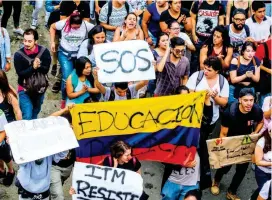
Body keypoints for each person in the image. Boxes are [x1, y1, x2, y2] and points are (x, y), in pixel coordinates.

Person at [211, 88, 264, 200]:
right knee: (225, 166)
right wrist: (223, 150)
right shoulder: (229, 113)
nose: (249, 103)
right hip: (231, 141)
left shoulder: (257, 110)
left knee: (241, 171)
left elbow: (261, 122)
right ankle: (216, 181)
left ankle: (232, 192)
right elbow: (223, 133)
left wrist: (255, 132)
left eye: (251, 100)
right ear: (239, 100)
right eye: (245, 100)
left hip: (245, 143)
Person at [50, 11, 94, 108]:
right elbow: (52, 27)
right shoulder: (63, 23)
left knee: (80, 75)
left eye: (78, 27)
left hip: (79, 55)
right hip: (65, 54)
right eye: (74, 27)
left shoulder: (86, 25)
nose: (76, 28)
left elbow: (96, 30)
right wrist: (52, 42)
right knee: (67, 77)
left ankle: (79, 96)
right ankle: (64, 98)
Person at [14, 29, 51, 120]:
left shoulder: (44, 52)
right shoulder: (18, 55)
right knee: (27, 115)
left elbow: (46, 70)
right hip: (24, 89)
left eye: (29, 41)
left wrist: (39, 66)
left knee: (35, 112)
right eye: (25, 40)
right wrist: (33, 68)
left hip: (39, 88)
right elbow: (20, 74)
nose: (26, 43)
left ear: (36, 41)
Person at [186, 56, 229, 128]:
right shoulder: (196, 76)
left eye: (209, 70)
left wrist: (215, 97)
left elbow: (224, 102)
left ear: (217, 71)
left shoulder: (223, 81)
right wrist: (202, 95)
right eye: (205, 68)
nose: (205, 71)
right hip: (194, 116)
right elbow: (188, 94)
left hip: (212, 118)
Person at [190, 0, 225, 73]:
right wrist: (193, 34)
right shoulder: (198, 3)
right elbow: (192, 19)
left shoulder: (219, 5)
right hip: (199, 37)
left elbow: (221, 20)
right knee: (195, 61)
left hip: (212, 39)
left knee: (209, 62)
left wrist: (220, 35)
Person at [0, 70, 22, 187]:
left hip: (7, 129)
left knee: (4, 153)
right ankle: (1, 169)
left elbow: (18, 112)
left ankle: (11, 171)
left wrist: (18, 129)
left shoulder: (8, 95)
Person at [49, 105, 76, 200]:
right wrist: (64, 109)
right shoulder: (54, 131)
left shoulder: (77, 133)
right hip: (53, 167)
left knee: (57, 188)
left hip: (68, 168)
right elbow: (49, 119)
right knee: (58, 196)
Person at [251, 122, 272, 200]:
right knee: (263, 188)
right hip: (262, 172)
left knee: (266, 190)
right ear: (269, 131)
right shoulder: (262, 142)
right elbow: (258, 162)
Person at [255, 29, 272, 107]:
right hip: (267, 85)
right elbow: (255, 63)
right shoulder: (263, 46)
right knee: (265, 109)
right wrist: (268, 70)